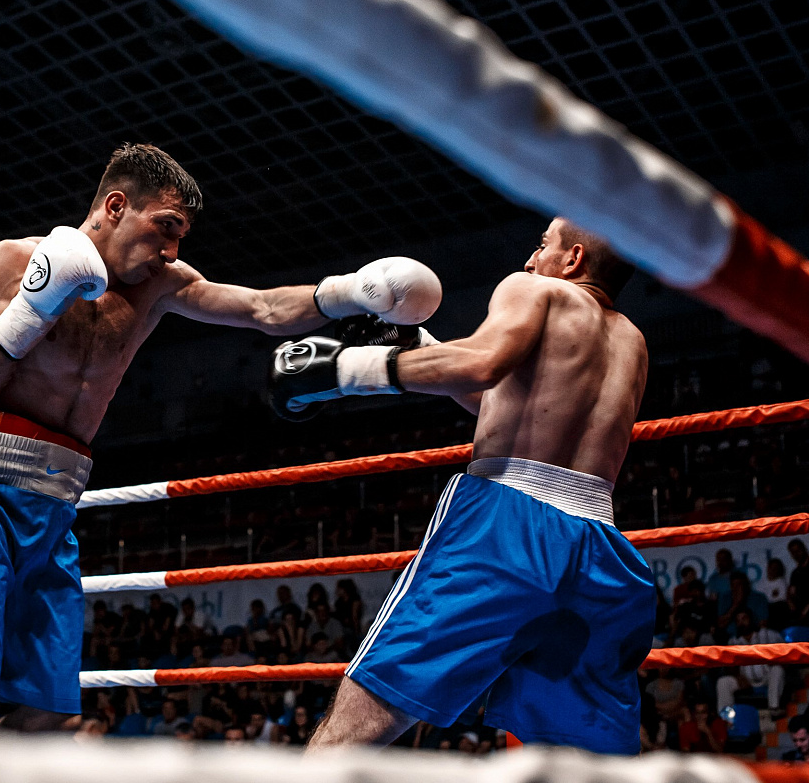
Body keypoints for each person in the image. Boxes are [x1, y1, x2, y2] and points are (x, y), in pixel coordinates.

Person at [0, 143, 442, 738]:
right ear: (116, 206)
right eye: (165, 227)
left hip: (54, 504)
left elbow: (261, 309)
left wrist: (350, 291)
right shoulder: (15, 263)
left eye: (180, 236)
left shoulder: (159, 285)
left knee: (48, 712)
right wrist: (32, 310)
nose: (171, 251)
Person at [270, 217, 654, 754]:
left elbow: (480, 365)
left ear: (573, 260)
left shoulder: (533, 290)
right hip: (600, 551)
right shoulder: (632, 342)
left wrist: (345, 369)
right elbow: (511, 403)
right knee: (586, 761)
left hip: (509, 527)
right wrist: (426, 345)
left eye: (542, 245)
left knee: (364, 714)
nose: (529, 260)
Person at [716, 608, 785, 711]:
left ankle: (774, 708)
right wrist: (737, 676)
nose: (741, 623)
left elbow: (786, 655)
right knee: (723, 682)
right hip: (746, 680)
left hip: (767, 676)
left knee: (777, 669)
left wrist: (775, 660)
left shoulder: (768, 634)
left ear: (751, 619)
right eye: (738, 621)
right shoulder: (733, 641)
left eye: (744, 618)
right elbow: (728, 666)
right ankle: (726, 717)